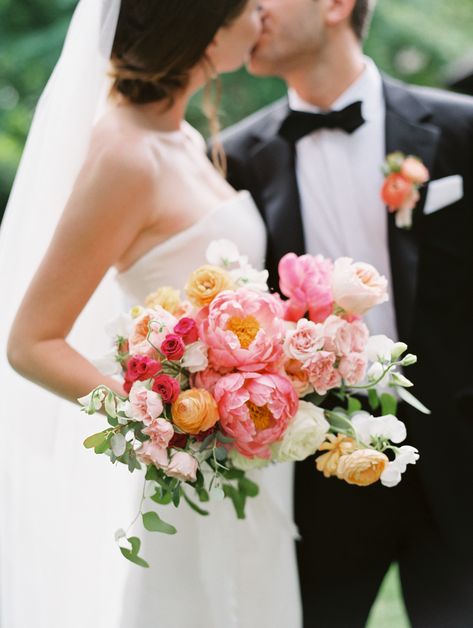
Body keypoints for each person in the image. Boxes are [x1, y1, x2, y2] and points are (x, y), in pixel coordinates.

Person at [0, 1, 301, 627]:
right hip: (187, 466)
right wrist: (162, 429)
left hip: (239, 460)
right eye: (250, 4)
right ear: (207, 27)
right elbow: (32, 342)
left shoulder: (182, 135)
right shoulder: (126, 156)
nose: (264, 10)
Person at [221, 0, 473, 626]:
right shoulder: (229, 160)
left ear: (336, 6)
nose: (250, 11)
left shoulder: (462, 126)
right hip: (315, 472)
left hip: (460, 463)